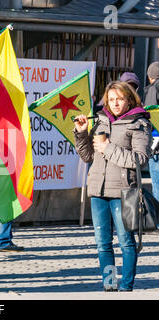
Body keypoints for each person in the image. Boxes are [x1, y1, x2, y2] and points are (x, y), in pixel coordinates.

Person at [73, 80, 152, 292]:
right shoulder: (99, 120)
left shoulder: (139, 123)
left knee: (126, 242)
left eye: (120, 99)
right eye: (111, 99)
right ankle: (109, 284)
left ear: (129, 99)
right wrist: (81, 133)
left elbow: (140, 159)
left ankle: (126, 287)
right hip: (98, 189)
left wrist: (108, 148)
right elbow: (88, 155)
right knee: (102, 243)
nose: (115, 103)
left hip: (123, 191)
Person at [144, 62, 159, 202]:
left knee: (158, 187)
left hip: (157, 147)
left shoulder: (153, 90)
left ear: (150, 77)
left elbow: (150, 118)